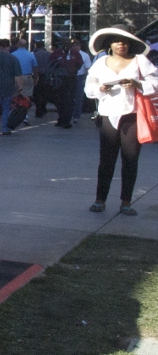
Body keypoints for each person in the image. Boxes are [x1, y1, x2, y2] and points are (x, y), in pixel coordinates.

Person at [84, 25, 158, 216]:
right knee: (106, 161)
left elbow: (156, 83)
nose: (121, 44)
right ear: (110, 43)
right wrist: (101, 89)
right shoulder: (101, 63)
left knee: (130, 160)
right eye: (117, 41)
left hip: (132, 116)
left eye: (124, 41)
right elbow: (89, 88)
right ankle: (100, 200)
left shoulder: (140, 61)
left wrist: (137, 84)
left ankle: (126, 202)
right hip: (108, 115)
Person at [46, 38, 82, 129]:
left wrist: (74, 70)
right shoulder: (57, 53)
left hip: (71, 80)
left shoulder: (75, 53)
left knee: (69, 101)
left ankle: (67, 121)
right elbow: (50, 64)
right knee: (59, 100)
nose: (67, 45)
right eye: (65, 43)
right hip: (59, 80)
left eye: (69, 44)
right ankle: (61, 119)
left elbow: (79, 63)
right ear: (62, 44)